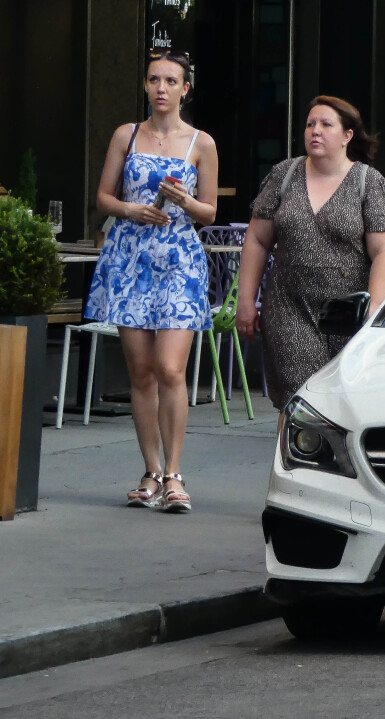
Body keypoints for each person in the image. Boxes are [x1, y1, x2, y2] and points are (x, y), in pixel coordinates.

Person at [86, 49, 218, 513]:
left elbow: (210, 211)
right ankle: (151, 471)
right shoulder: (126, 135)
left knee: (170, 368)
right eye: (153, 79)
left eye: (170, 80)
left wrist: (181, 199)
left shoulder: (201, 143)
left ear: (186, 88)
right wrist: (130, 209)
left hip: (179, 259)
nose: (161, 88)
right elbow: (103, 196)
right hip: (129, 257)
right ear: (145, 86)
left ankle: (175, 474)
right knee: (140, 371)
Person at [235, 96, 385, 415]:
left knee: (344, 403)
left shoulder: (368, 182)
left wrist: (375, 309)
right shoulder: (285, 174)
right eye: (311, 124)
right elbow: (257, 239)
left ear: (347, 135)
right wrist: (246, 300)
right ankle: (294, 462)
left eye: (326, 125)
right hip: (289, 307)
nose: (315, 131)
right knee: (301, 400)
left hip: (348, 312)